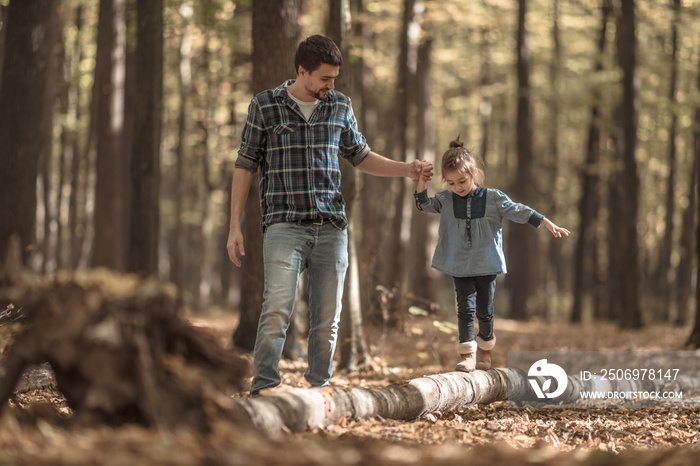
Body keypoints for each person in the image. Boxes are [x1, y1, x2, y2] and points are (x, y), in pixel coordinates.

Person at [227, 34, 433, 396]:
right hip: (283, 226)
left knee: (327, 320)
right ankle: (264, 389)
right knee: (276, 311)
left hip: (331, 228)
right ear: (302, 71)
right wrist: (234, 226)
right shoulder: (265, 105)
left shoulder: (340, 105)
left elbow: (361, 155)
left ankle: (319, 390)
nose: (331, 85)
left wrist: (407, 169)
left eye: (334, 78)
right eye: (324, 78)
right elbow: (245, 165)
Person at [414, 136, 569, 373]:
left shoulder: (494, 198)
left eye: (462, 181)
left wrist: (545, 221)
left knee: (485, 310)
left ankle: (485, 349)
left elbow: (518, 211)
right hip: (460, 266)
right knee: (465, 309)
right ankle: (467, 355)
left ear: (474, 173)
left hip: (487, 265)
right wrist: (421, 180)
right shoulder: (446, 200)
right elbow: (423, 204)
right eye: (451, 183)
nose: (457, 187)